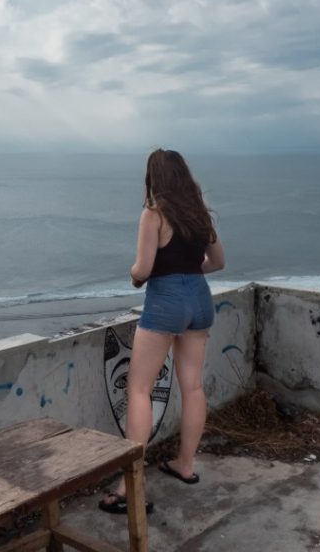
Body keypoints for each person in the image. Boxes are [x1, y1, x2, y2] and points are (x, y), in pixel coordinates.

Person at [99, 148, 226, 515]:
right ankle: (186, 466)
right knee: (193, 386)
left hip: (166, 302)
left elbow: (144, 267)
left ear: (153, 178)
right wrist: (188, 271)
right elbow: (218, 263)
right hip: (200, 300)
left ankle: (127, 486)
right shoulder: (200, 215)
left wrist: (135, 275)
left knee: (139, 389)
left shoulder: (153, 214)